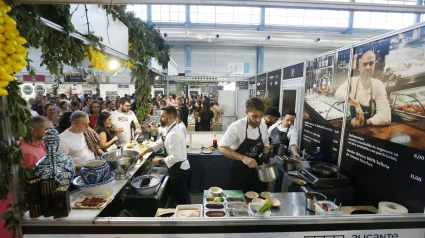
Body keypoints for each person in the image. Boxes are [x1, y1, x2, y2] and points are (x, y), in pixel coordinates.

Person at [138, 106, 191, 205]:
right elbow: (160, 142)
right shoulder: (170, 128)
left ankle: (185, 218)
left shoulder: (174, 134)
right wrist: (145, 152)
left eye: (162, 116)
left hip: (179, 170)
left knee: (181, 200)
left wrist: (160, 161)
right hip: (179, 168)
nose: (160, 118)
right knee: (183, 195)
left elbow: (177, 157)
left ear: (170, 117)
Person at [218, 97, 270, 193]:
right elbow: (221, 147)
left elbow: (266, 143)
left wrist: (265, 153)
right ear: (246, 112)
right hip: (240, 172)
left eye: (261, 116)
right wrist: (243, 158)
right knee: (238, 202)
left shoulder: (262, 125)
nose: (258, 119)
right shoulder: (236, 127)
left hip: (257, 172)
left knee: (258, 200)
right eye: (254, 116)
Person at [335, 50, 391, 128]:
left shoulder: (378, 85)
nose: (368, 67)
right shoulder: (352, 81)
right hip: (352, 129)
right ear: (359, 67)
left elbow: (386, 117)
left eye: (371, 64)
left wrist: (365, 122)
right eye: (365, 64)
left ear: (374, 65)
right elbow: (338, 93)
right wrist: (355, 104)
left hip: (370, 130)